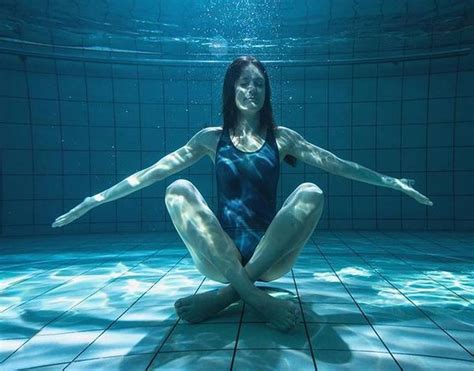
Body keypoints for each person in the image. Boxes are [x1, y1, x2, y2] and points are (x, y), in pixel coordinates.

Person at [52, 56, 433, 332]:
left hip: (271, 257)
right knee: (177, 188)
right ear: (231, 88)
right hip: (220, 258)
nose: (252, 90)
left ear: (267, 92)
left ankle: (228, 297)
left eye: (259, 85)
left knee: (312, 190)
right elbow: (152, 173)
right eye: (245, 83)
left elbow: (337, 164)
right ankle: (253, 295)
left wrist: (390, 181)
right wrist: (95, 200)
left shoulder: (283, 138)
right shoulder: (209, 139)